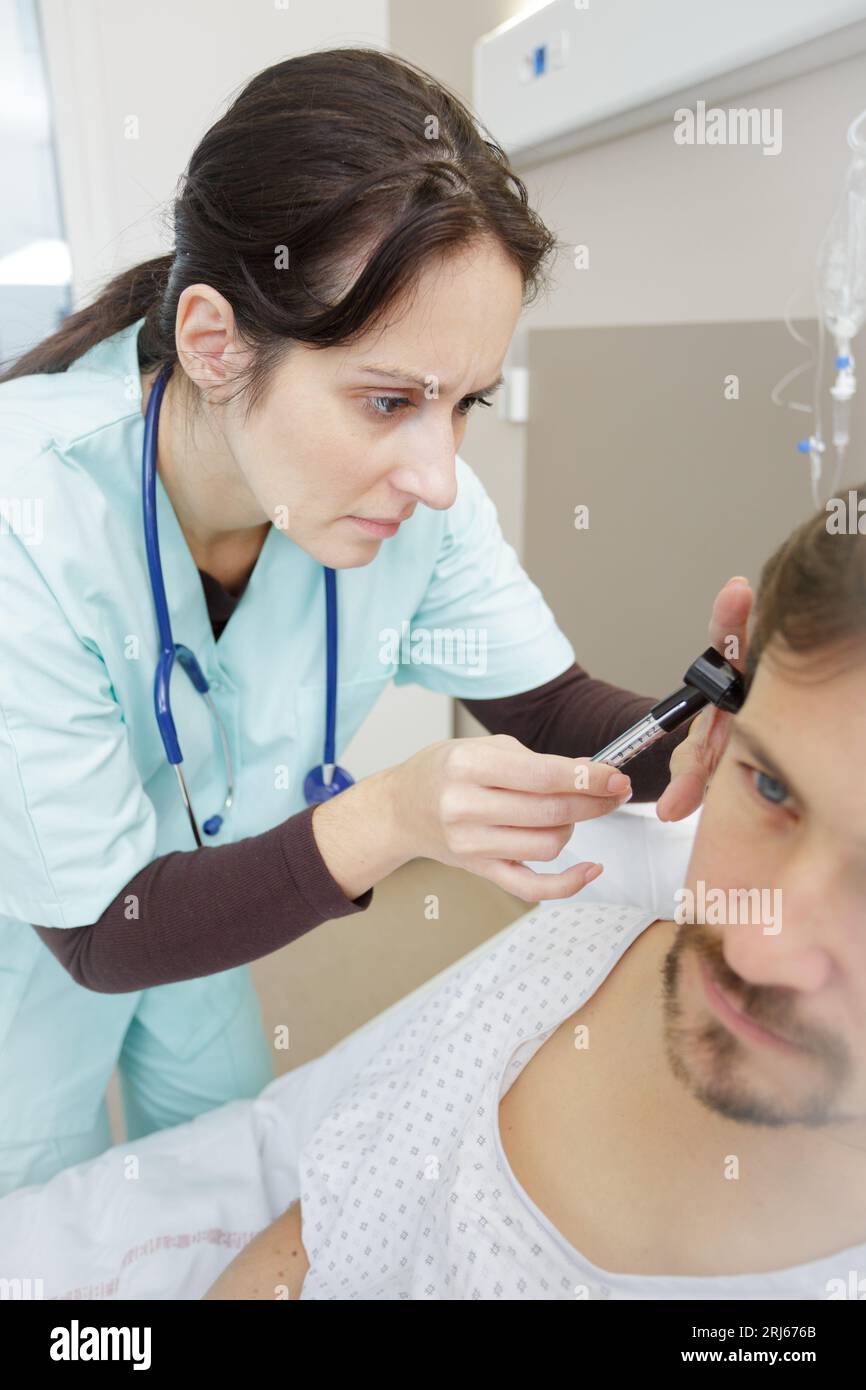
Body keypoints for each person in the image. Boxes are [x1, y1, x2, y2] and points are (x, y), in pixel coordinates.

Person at [0, 47, 748, 1198]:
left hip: (216, 887)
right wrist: (389, 816)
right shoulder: (26, 512)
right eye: (389, 399)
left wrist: (715, 732)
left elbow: (549, 713)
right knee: (33, 1204)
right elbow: (103, 932)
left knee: (218, 1169)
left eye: (464, 405)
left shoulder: (414, 504)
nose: (439, 475)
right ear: (213, 342)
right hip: (36, 932)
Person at [205, 489, 866, 1299]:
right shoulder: (573, 957)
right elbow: (324, 1236)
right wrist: (383, 818)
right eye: (770, 787)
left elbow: (549, 704)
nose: (755, 943)